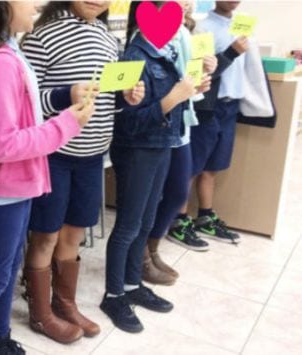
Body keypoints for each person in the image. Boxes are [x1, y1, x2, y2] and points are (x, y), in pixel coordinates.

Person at [0, 2, 97, 353]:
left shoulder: (7, 53)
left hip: (11, 189)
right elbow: (1, 143)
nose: (36, 3)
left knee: (4, 272)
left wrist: (64, 106)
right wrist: (67, 124)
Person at [20, 0, 145, 342]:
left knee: (75, 233)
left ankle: (65, 303)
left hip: (92, 154)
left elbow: (106, 97)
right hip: (54, 154)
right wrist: (66, 95)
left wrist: (126, 97)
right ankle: (41, 311)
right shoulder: (41, 35)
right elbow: (26, 101)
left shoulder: (107, 36)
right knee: (46, 234)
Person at [101, 1, 205, 334]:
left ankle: (132, 285)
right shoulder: (134, 56)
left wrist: (190, 92)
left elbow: (170, 102)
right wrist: (174, 97)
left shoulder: (165, 53)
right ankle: (114, 293)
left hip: (162, 144)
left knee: (145, 221)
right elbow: (127, 123)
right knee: (128, 225)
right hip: (137, 150)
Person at [143, 0, 216, 286]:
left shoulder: (185, 32)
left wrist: (203, 76)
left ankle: (151, 249)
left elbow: (189, 79)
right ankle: (140, 257)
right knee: (149, 200)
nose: (185, 2)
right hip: (157, 125)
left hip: (180, 125)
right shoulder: (146, 34)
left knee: (175, 193)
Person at [183, 0, 249, 244]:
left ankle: (205, 216)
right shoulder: (203, 28)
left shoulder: (243, 26)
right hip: (208, 106)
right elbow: (200, 72)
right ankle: (180, 220)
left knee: (213, 166)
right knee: (193, 166)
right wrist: (232, 51)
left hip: (231, 106)